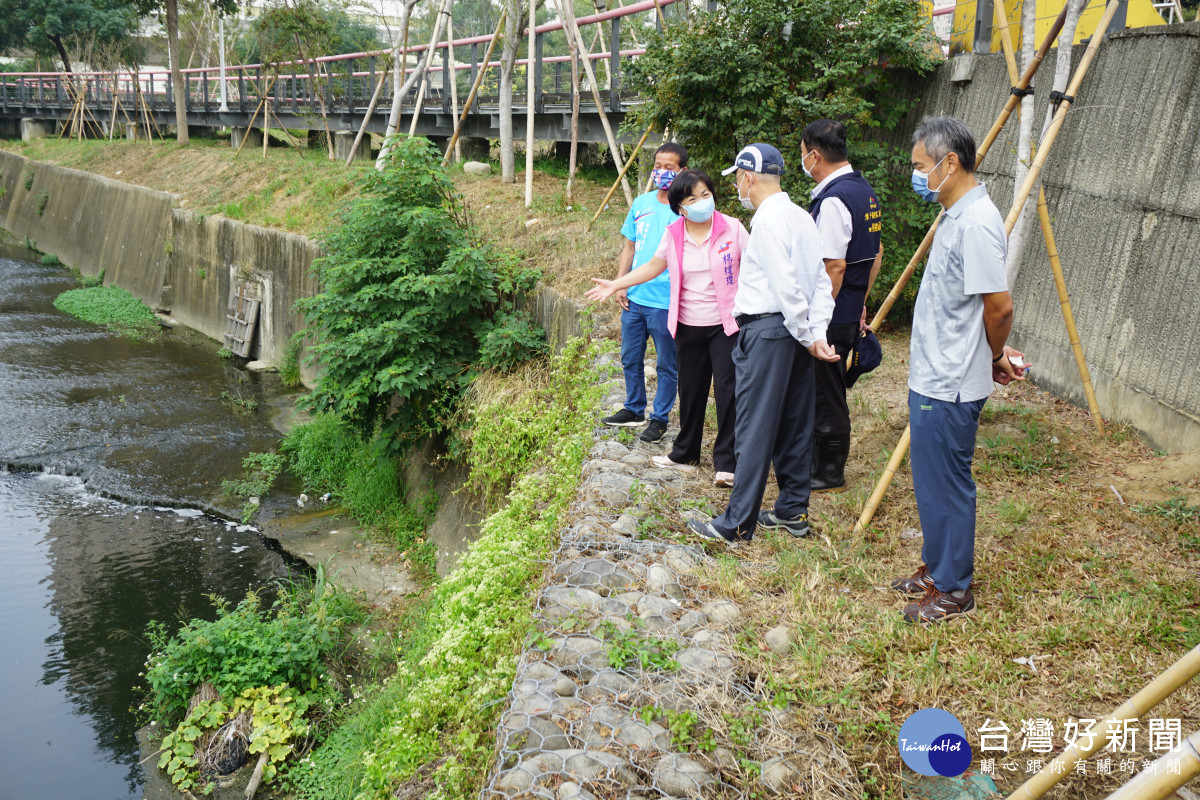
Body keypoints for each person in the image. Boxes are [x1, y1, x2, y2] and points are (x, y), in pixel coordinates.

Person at [891, 116, 1028, 625]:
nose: (917, 175)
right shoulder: (954, 213)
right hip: (933, 372)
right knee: (930, 482)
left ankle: (955, 589)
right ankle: (939, 568)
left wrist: (992, 356)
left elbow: (999, 307)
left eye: (920, 167)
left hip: (950, 381)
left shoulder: (975, 222)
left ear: (950, 164)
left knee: (948, 484)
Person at [685, 144, 839, 545]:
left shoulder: (768, 222)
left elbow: (787, 286)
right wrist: (815, 334)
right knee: (794, 423)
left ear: (748, 177)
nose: (736, 185)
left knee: (753, 427)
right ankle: (791, 510)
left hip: (770, 331)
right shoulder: (802, 216)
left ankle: (736, 523)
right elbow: (819, 282)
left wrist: (809, 335)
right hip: (795, 333)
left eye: (737, 177)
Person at [587, 169, 749, 488]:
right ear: (680, 207)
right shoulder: (674, 233)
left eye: (706, 195)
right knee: (691, 391)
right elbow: (651, 266)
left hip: (725, 325)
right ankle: (685, 455)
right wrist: (615, 284)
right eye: (693, 198)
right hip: (688, 324)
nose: (703, 202)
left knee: (727, 392)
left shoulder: (733, 228)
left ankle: (727, 464)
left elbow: (755, 268)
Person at [800, 119, 884, 492]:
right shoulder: (863, 191)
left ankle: (829, 470)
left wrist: (816, 320)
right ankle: (818, 461)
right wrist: (862, 302)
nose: (802, 161)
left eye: (802, 154)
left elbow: (833, 266)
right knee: (827, 386)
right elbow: (875, 255)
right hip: (849, 307)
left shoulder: (834, 199)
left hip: (831, 313)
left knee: (826, 389)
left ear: (815, 155)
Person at [601, 143, 688, 443]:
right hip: (634, 299)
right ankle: (634, 408)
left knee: (666, 364)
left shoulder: (686, 211)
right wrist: (620, 283)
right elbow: (630, 246)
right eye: (658, 166)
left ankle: (659, 419)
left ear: (682, 172)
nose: (662, 173)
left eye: (669, 168)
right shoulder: (641, 203)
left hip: (666, 302)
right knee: (629, 356)